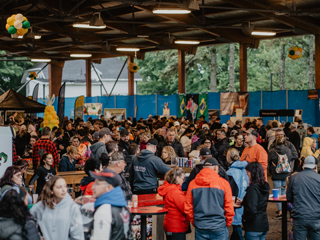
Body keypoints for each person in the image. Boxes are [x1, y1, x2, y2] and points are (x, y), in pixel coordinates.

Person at [184, 157, 235, 240]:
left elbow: (188, 207)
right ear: (216, 168)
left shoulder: (192, 184)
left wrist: (195, 221)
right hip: (219, 227)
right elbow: (229, 207)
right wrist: (227, 222)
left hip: (200, 226)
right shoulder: (224, 184)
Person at [30, 176, 84, 240]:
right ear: (51, 190)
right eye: (59, 187)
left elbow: (77, 233)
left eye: (65, 186)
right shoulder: (41, 206)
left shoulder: (72, 207)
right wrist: (37, 237)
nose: (64, 190)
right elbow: (29, 223)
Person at [90, 168, 132, 240]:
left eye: (97, 184)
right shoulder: (123, 206)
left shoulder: (104, 210)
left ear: (108, 187)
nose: (92, 187)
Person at [287, 156, 320, 239]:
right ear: (315, 166)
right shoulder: (319, 178)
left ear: (303, 165)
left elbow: (289, 197)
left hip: (299, 216)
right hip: (316, 217)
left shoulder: (294, 177)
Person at [238, 162, 270, 240]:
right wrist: (244, 202)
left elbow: (252, 209)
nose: (247, 175)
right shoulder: (264, 186)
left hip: (254, 227)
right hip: (263, 224)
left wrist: (245, 219)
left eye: (248, 173)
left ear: (253, 173)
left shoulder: (253, 188)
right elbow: (258, 202)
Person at [158, 168, 189, 240]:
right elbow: (185, 208)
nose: (183, 181)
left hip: (170, 224)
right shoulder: (175, 192)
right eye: (183, 178)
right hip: (177, 226)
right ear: (177, 178)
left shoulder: (169, 189)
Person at [226, 148, 249, 240]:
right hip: (244, 199)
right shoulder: (244, 169)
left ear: (228, 158)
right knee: (237, 225)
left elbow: (231, 189)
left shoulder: (231, 172)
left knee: (236, 225)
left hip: (235, 202)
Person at [268, 135, 292, 219]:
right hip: (285, 173)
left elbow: (269, 161)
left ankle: (280, 211)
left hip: (276, 173)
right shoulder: (288, 150)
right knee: (284, 192)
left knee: (277, 194)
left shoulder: (272, 151)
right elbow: (291, 159)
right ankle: (285, 210)